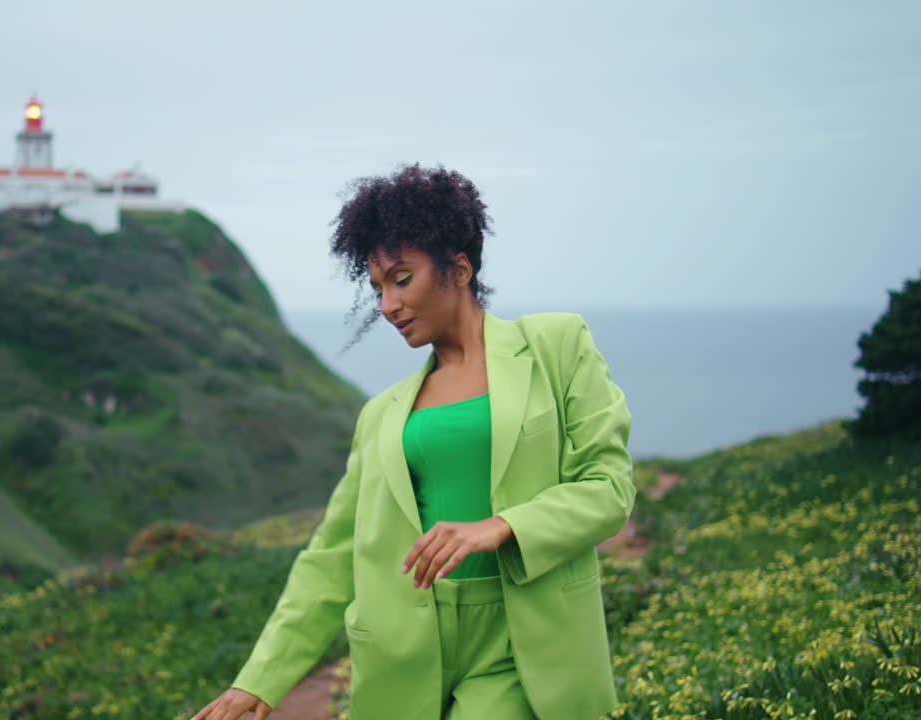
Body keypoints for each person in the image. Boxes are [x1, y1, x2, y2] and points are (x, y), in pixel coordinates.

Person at [193, 163, 635, 720]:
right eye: (377, 288)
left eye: (401, 279)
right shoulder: (382, 415)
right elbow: (332, 555)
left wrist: (501, 526)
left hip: (521, 642)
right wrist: (258, 682)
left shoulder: (557, 346)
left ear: (459, 267)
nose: (386, 305)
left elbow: (608, 488)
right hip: (405, 650)